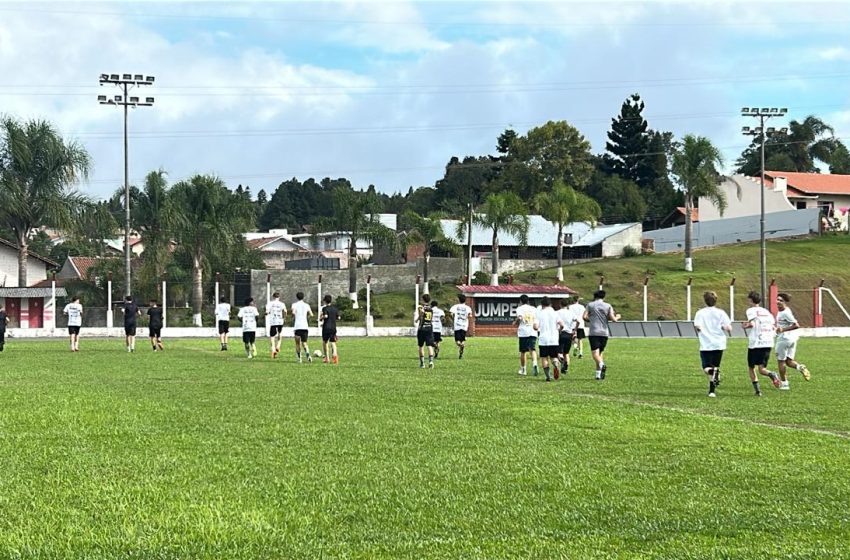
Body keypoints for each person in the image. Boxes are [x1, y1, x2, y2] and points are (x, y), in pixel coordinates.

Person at [693, 291, 732, 398]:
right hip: (719, 343)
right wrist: (725, 329)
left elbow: (697, 326)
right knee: (715, 366)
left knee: (706, 367)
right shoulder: (721, 312)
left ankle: (713, 375)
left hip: (706, 343)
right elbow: (728, 327)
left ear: (705, 300)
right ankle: (712, 391)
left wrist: (700, 329)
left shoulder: (700, 313)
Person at [742, 291, 782, 396]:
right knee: (762, 368)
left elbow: (752, 323)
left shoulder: (750, 310)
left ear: (751, 300)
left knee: (751, 367)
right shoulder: (767, 312)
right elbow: (773, 326)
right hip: (768, 342)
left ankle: (758, 391)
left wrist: (746, 326)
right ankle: (772, 374)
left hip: (756, 342)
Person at [775, 292, 812, 390]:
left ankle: (785, 384)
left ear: (785, 302)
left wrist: (783, 330)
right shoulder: (784, 310)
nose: (778, 302)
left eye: (781, 300)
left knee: (780, 361)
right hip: (792, 339)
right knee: (789, 361)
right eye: (777, 299)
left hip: (784, 339)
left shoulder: (785, 313)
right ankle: (800, 367)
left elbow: (796, 325)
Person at [584, 290, 621, 381]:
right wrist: (618, 317)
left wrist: (591, 319)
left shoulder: (590, 305)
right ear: (604, 297)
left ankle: (601, 365)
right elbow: (613, 319)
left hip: (594, 332)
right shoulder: (608, 306)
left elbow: (584, 316)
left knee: (595, 354)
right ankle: (598, 374)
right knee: (600, 353)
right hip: (604, 332)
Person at [534, 297, 564, 382]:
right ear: (550, 304)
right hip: (554, 339)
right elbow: (562, 324)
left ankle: (548, 376)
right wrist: (559, 330)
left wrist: (536, 328)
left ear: (541, 304)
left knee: (544, 358)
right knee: (554, 356)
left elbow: (536, 327)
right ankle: (555, 364)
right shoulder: (554, 313)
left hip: (543, 339)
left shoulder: (539, 314)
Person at [514, 294, 538, 376]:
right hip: (533, 331)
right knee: (533, 349)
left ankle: (523, 370)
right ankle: (535, 364)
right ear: (528, 301)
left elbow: (520, 318)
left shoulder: (519, 309)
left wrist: (515, 322)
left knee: (523, 352)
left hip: (523, 332)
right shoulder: (534, 309)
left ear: (520, 301)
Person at [555, 298, 579, 379]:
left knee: (558, 352)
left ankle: (560, 361)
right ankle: (566, 368)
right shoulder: (571, 313)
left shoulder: (557, 313)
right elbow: (578, 321)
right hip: (569, 334)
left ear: (560, 304)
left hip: (560, 333)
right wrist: (575, 330)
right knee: (566, 353)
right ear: (568, 305)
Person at [291, 291, 314, 363]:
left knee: (297, 343)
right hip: (305, 326)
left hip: (297, 326)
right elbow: (311, 314)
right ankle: (308, 354)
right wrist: (307, 317)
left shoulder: (294, 305)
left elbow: (293, 313)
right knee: (304, 343)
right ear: (303, 297)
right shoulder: (306, 305)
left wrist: (293, 317)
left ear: (296, 297)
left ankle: (299, 358)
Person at [414, 293, 435, 368]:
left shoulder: (421, 307)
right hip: (429, 327)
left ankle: (422, 363)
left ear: (423, 299)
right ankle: (431, 361)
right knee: (429, 345)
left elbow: (422, 314)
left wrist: (417, 319)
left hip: (422, 328)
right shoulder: (431, 308)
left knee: (421, 346)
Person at [449, 294, 473, 359]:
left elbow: (451, 314)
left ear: (459, 300)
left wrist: (453, 318)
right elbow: (470, 315)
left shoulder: (455, 306)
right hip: (464, 325)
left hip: (457, 325)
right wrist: (467, 317)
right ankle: (462, 348)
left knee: (457, 341)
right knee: (462, 339)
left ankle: (460, 345)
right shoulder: (468, 308)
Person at [265, 292, 287, 359]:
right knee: (280, 333)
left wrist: (266, 313)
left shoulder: (270, 303)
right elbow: (285, 311)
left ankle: (273, 350)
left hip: (273, 321)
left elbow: (267, 311)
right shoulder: (282, 304)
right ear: (279, 297)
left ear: (273, 297)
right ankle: (278, 346)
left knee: (272, 336)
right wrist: (284, 317)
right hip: (280, 320)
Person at [320, 294, 339, 365]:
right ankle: (335, 355)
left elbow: (326, 315)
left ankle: (327, 358)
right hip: (333, 327)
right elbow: (338, 317)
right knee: (333, 342)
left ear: (325, 301)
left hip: (326, 327)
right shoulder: (335, 308)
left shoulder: (325, 308)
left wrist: (321, 318)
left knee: (325, 342)